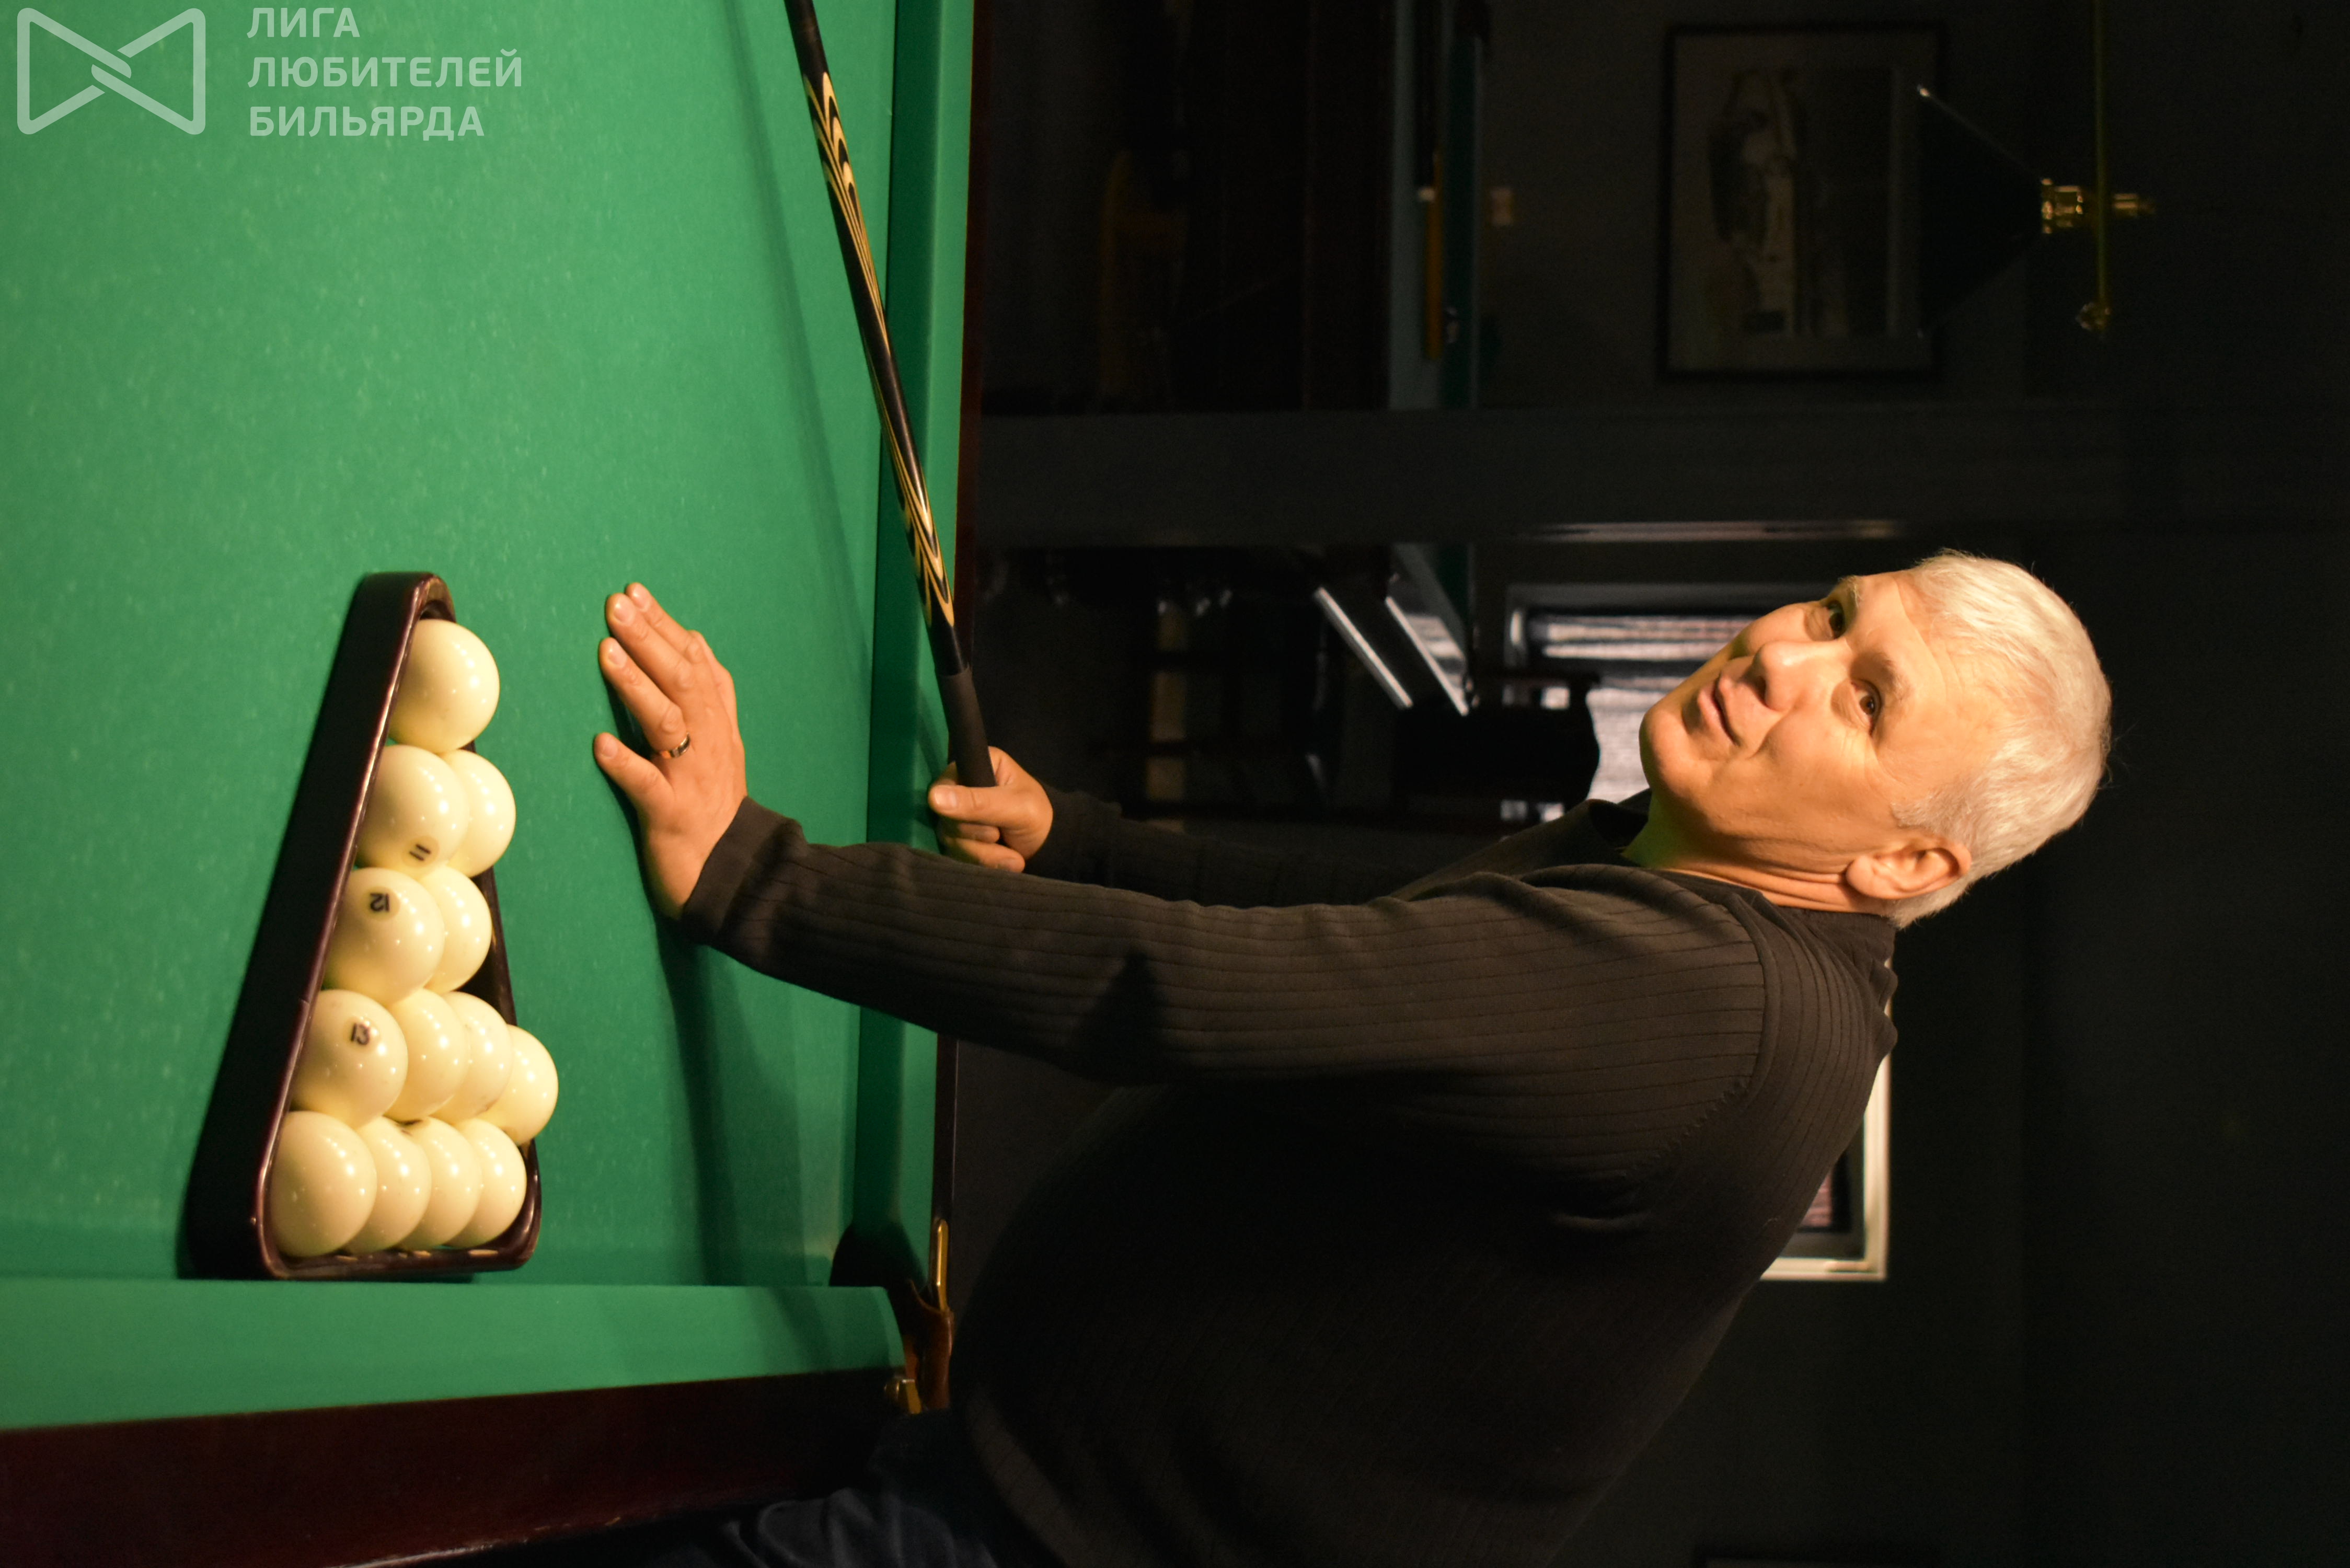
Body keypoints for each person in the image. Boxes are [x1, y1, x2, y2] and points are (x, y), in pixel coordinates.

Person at [584, 552, 2109, 1568]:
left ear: (1904, 865)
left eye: (1866, 700)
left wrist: (749, 873)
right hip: (1034, 1494)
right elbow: (1386, 934)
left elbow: (1187, 993)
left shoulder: (1716, 1006)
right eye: (1836, 614)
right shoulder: (1706, 885)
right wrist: (1084, 845)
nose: (1786, 656)